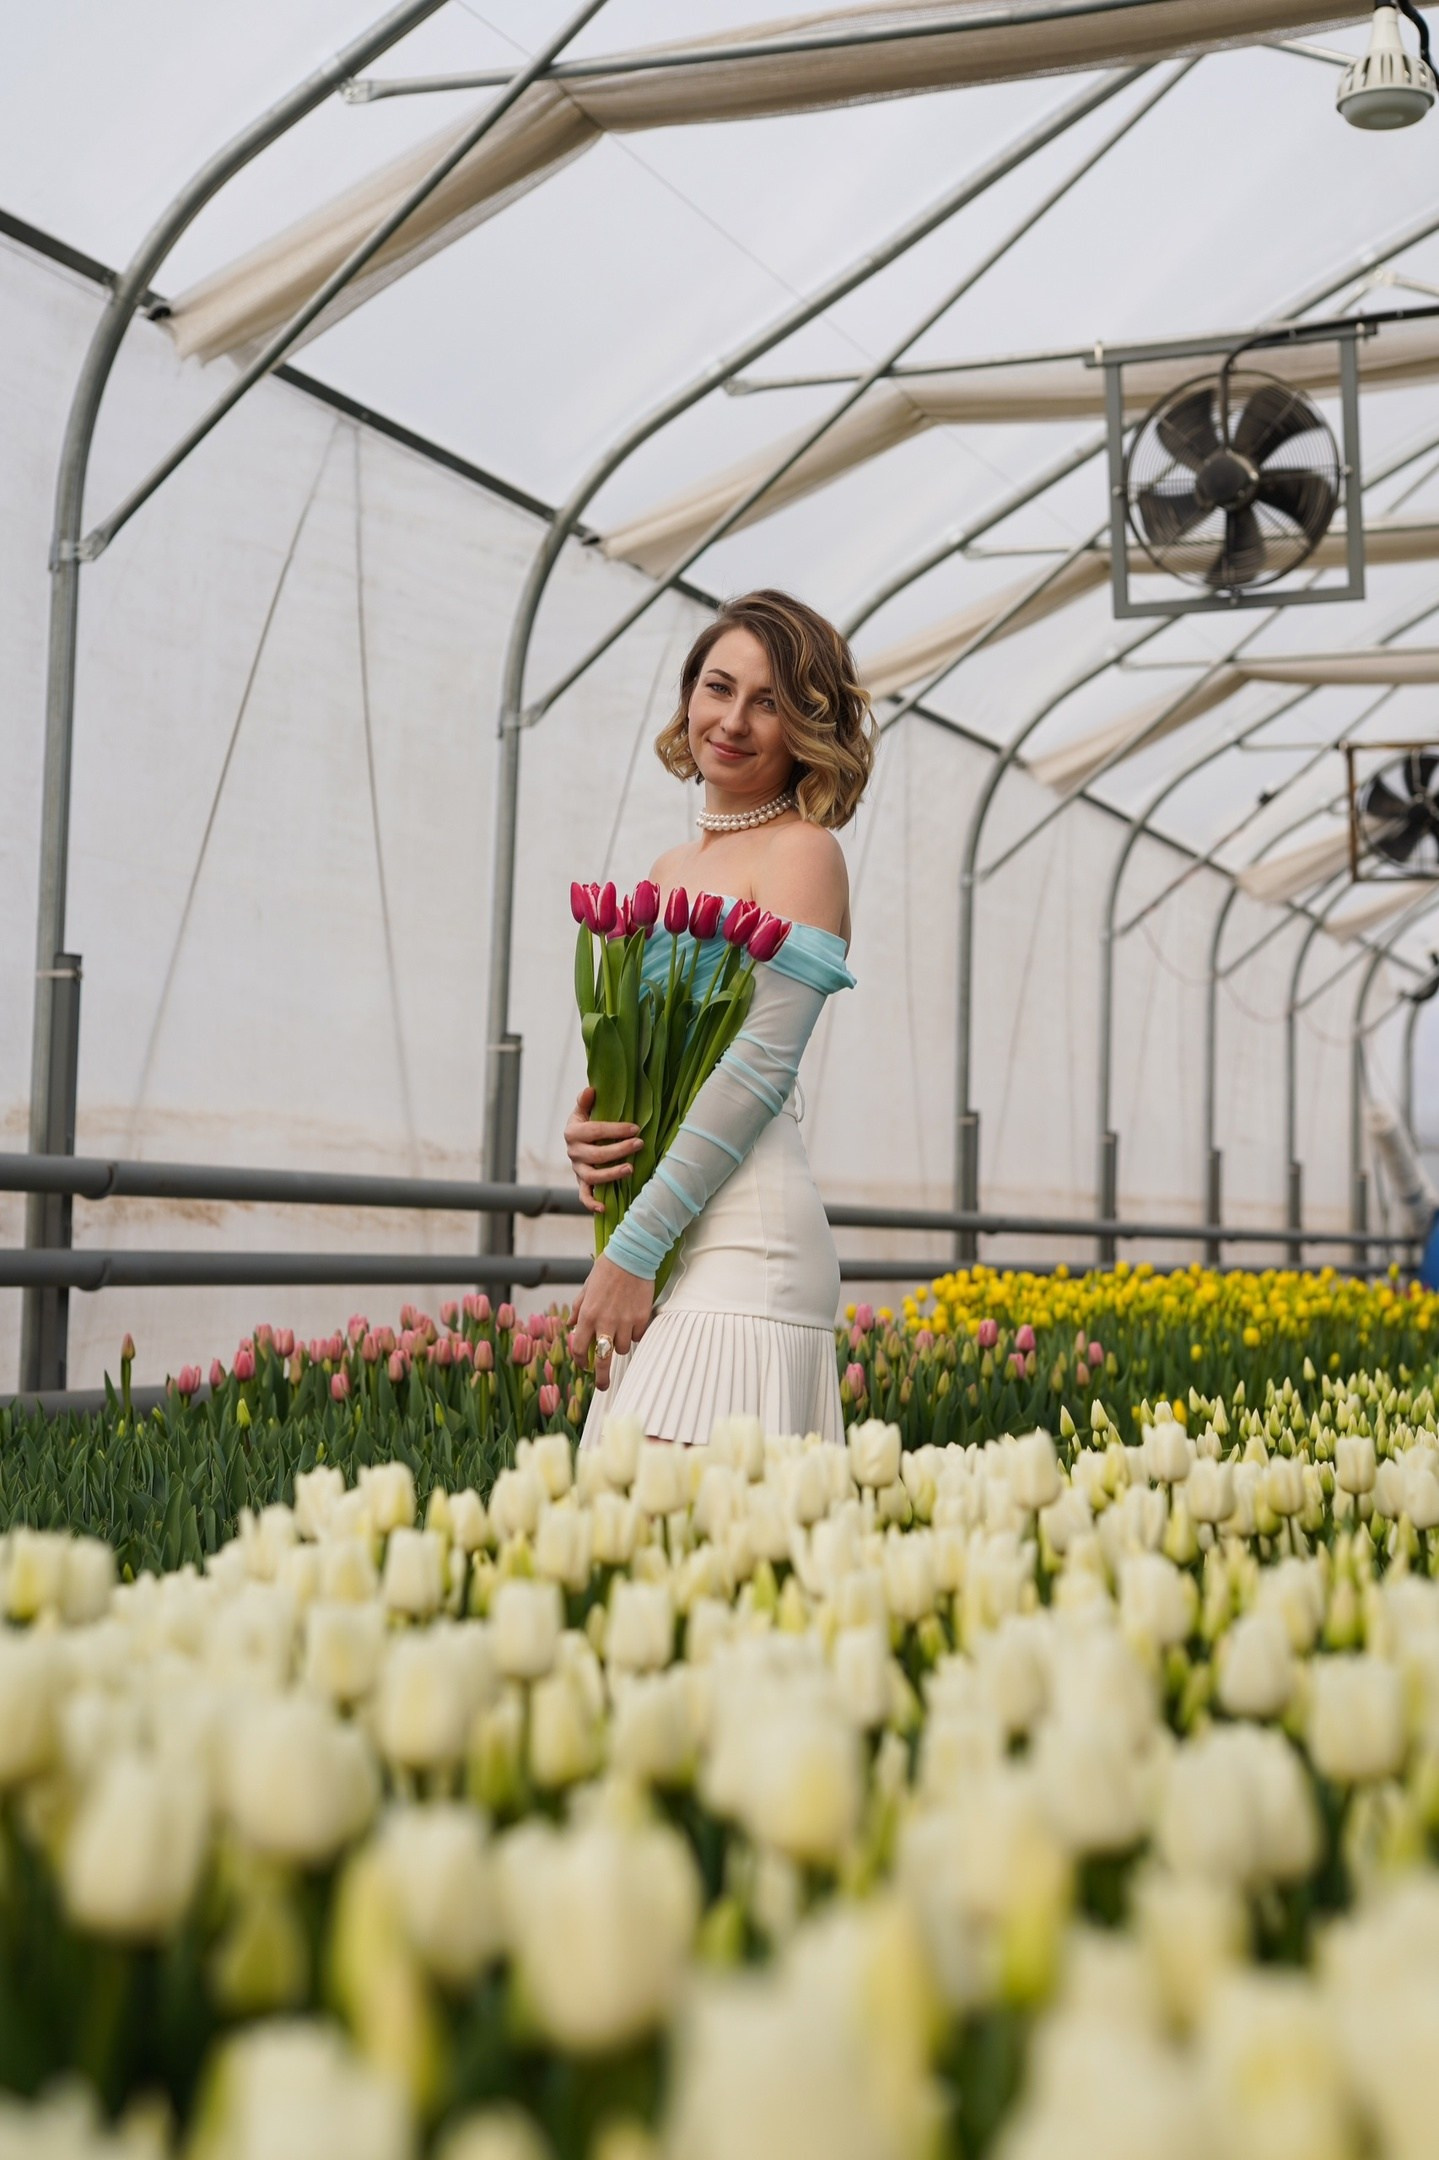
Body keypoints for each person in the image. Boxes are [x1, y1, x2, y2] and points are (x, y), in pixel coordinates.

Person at [565, 589, 876, 1447]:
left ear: (806, 726)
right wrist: (596, 1132)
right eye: (717, 686)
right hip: (655, 1237)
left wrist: (631, 1247)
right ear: (687, 697)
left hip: (745, 1247)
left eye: (769, 702)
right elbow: (657, 1062)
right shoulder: (668, 867)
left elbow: (757, 1067)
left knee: (686, 1535)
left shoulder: (803, 853)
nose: (732, 720)